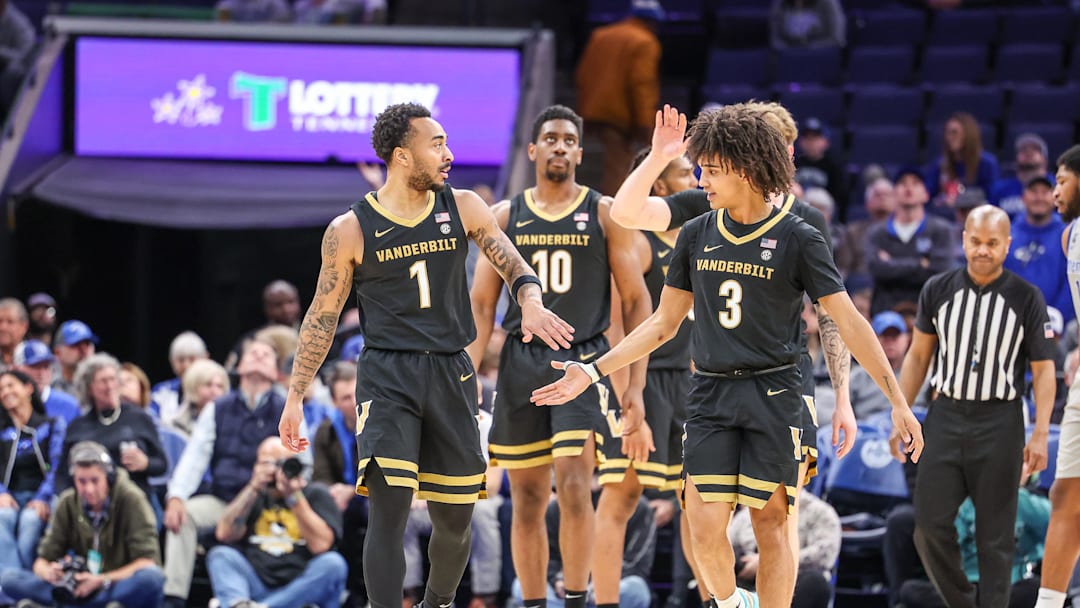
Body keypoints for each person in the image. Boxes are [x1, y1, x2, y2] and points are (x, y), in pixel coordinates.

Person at [534, 103, 923, 608]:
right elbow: (661, 322)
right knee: (702, 520)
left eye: (711, 170)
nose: (700, 179)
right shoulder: (697, 230)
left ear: (744, 168)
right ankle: (732, 601)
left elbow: (847, 322)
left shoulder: (801, 233)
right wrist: (592, 370)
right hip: (713, 388)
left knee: (772, 522)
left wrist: (896, 401)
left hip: (776, 390)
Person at [277, 102, 573, 608]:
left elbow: (515, 264)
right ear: (400, 155)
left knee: (455, 519)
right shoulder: (349, 229)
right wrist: (295, 395)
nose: (448, 154)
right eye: (435, 144)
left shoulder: (462, 206)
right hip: (388, 375)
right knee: (389, 511)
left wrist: (529, 301)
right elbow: (321, 319)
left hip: (453, 370)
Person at [608, 102, 860, 599]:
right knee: (700, 513)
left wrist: (845, 398)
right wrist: (659, 157)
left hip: (780, 380)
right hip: (713, 376)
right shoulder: (707, 206)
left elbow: (833, 316)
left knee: (776, 519)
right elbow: (626, 211)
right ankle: (717, 599)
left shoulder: (804, 223)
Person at [468, 104, 653, 608]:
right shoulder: (505, 215)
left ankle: (575, 599)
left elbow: (637, 300)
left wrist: (635, 384)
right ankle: (533, 602)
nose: (560, 146)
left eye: (570, 139)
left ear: (579, 151)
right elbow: (482, 304)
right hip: (522, 365)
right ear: (533, 150)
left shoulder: (603, 211)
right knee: (525, 499)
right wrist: (466, 375)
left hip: (582, 361)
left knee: (574, 486)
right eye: (551, 137)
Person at [891, 204, 1056, 608]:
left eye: (992, 243)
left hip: (1001, 419)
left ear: (1007, 245)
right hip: (945, 415)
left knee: (995, 537)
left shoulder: (1026, 297)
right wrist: (901, 412)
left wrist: (1038, 433)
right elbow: (916, 358)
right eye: (976, 241)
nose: (983, 250)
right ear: (964, 239)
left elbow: (1045, 371)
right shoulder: (938, 289)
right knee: (928, 526)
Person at [162, 338, 298, 607]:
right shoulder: (218, 408)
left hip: (269, 504)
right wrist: (176, 496)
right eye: (253, 352)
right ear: (240, 365)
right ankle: (173, 598)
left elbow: (301, 462)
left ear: (275, 371)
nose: (259, 356)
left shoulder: (288, 408)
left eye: (266, 355)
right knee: (182, 515)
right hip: (223, 501)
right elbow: (194, 457)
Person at [0, 441, 165, 608]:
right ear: (74, 480)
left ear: (108, 477)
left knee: (151, 579)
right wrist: (50, 572)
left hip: (113, 585)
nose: (89, 489)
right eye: (82, 482)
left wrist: (102, 580)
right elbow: (41, 561)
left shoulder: (132, 499)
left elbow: (148, 562)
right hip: (78, 588)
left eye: (95, 480)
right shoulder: (68, 502)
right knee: (9, 579)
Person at [207, 436, 346, 608]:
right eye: (266, 463)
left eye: (280, 463)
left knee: (333, 564)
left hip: (299, 589)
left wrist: (293, 496)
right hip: (256, 582)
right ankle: (242, 604)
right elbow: (224, 533)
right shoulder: (254, 495)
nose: (273, 470)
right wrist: (253, 487)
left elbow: (321, 545)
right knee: (221, 555)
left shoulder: (316, 494)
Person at [1036, 144, 1080, 608]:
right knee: (1066, 490)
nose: (1054, 192)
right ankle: (1048, 603)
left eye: (1062, 181)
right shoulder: (1070, 238)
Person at [575, 0, 662, 196]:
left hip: (594, 112)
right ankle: (615, 219)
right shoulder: (645, 41)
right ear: (654, 22)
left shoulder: (601, 35)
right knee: (619, 170)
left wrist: (585, 111)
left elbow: (582, 75)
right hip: (619, 117)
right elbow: (641, 85)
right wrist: (644, 125)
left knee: (609, 168)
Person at [57, 354, 167, 508]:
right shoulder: (77, 427)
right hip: (88, 503)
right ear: (89, 388)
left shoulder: (139, 418)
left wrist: (145, 463)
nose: (109, 386)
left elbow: (162, 464)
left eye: (113, 379)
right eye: (103, 381)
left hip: (133, 501)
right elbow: (62, 474)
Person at [0, 370, 66, 574]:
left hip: (42, 496)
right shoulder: (1, 432)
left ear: (28, 388)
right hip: (9, 497)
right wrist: (1, 493)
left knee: (30, 521)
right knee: (2, 518)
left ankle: (29, 583)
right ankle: (12, 589)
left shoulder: (52, 424)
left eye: (11, 385)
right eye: (1, 389)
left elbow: (58, 466)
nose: (5, 392)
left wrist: (42, 498)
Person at [866, 167, 955, 316]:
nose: (908, 187)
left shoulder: (941, 230)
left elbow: (939, 272)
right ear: (894, 194)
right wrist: (921, 264)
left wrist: (891, 263)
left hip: (928, 313)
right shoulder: (877, 232)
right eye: (902, 183)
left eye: (915, 183)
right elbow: (876, 269)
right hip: (886, 314)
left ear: (926, 194)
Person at [1005, 176, 1072, 325]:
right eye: (1034, 192)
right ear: (1023, 198)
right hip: (1013, 323)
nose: (1039, 197)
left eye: (1045, 192)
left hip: (1058, 325)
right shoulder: (1007, 234)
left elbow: (1072, 281)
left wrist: (1057, 319)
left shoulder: (1068, 234)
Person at [924, 112, 1000, 211]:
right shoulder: (940, 164)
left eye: (954, 132)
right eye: (947, 133)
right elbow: (927, 196)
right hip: (946, 218)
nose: (949, 138)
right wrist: (942, 200)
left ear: (968, 134)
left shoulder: (987, 163)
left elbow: (991, 197)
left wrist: (961, 201)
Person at [13, 340, 80, 424]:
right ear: (16, 369)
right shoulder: (7, 404)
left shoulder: (70, 406)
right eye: (35, 367)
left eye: (46, 367)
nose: (41, 374)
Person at [150, 331, 209, 422]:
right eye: (181, 360)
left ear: (205, 358)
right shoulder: (161, 391)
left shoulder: (214, 389)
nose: (186, 365)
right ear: (171, 361)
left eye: (192, 359)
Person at [769, 0, 846, 49]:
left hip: (822, 56)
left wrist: (808, 48)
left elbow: (836, 38)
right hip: (789, 57)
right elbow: (775, 39)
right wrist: (788, 51)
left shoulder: (829, 3)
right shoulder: (780, 4)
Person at [0, 298, 28, 373]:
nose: (3, 328)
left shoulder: (38, 357)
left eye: (10, 322)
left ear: (24, 326)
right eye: (0, 321)